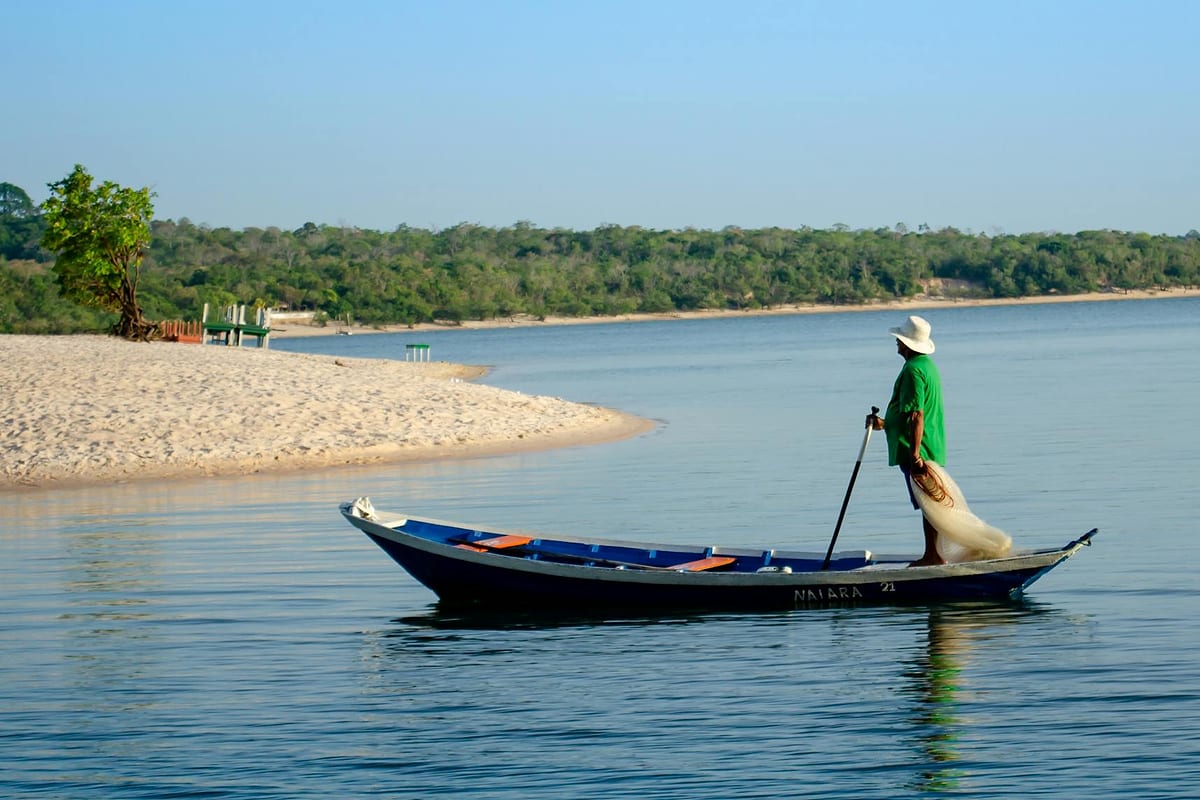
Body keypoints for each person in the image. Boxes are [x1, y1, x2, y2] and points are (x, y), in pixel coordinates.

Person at [868, 315, 946, 566]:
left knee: (927, 503)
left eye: (900, 339)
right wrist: (883, 424)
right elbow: (907, 414)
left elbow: (916, 414)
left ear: (908, 344)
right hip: (926, 445)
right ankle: (934, 554)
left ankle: (933, 556)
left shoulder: (913, 370)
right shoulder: (925, 366)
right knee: (929, 502)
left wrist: (914, 454)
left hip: (918, 449)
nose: (897, 343)